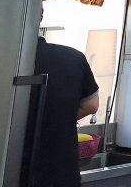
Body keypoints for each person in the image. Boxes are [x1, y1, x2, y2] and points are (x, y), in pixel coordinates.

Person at [28, 33, 99, 187]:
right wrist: (61, 116)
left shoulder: (3, 58)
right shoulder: (73, 57)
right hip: (61, 170)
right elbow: (92, 105)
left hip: (16, 167)